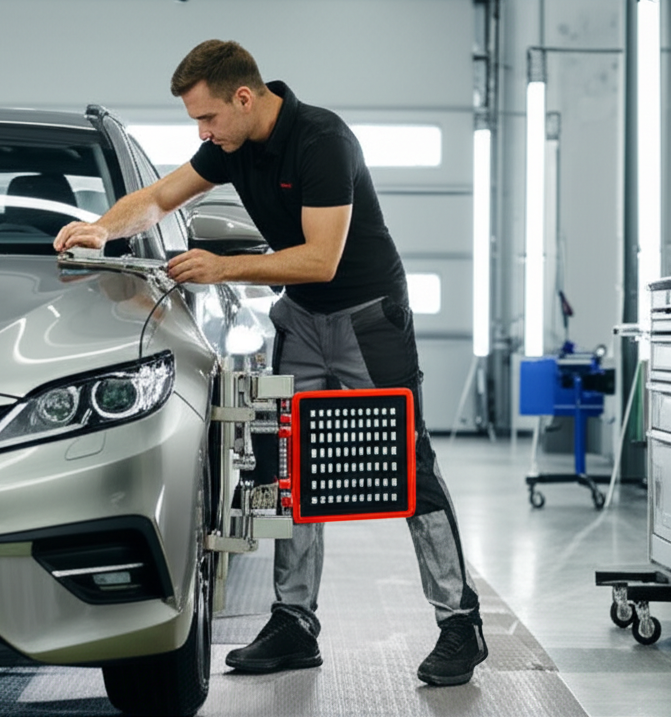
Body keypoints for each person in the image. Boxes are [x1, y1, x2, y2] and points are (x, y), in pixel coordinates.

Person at [54, 39, 487, 687]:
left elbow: (321, 260)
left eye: (207, 118)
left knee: (408, 462)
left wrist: (222, 266)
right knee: (295, 464)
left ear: (244, 98)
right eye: (196, 123)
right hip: (304, 319)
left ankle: (460, 621)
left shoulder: (321, 141)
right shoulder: (233, 145)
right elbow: (161, 195)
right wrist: (102, 227)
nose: (202, 133)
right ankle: (294, 621)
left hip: (368, 317)